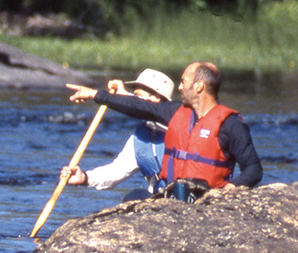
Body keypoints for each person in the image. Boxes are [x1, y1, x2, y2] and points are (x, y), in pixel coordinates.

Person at [66, 62, 262, 197]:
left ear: (199, 86)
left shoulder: (231, 124)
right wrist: (96, 95)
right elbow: (142, 108)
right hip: (172, 199)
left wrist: (232, 187)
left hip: (208, 199)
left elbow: (253, 169)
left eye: (184, 82)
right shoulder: (175, 113)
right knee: (135, 197)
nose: (180, 88)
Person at [60, 68, 175, 201]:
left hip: (186, 198)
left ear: (155, 98)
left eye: (138, 97)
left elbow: (155, 114)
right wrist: (85, 178)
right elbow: (117, 171)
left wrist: (123, 96)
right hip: (160, 199)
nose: (131, 103)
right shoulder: (140, 137)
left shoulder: (180, 124)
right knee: (134, 196)